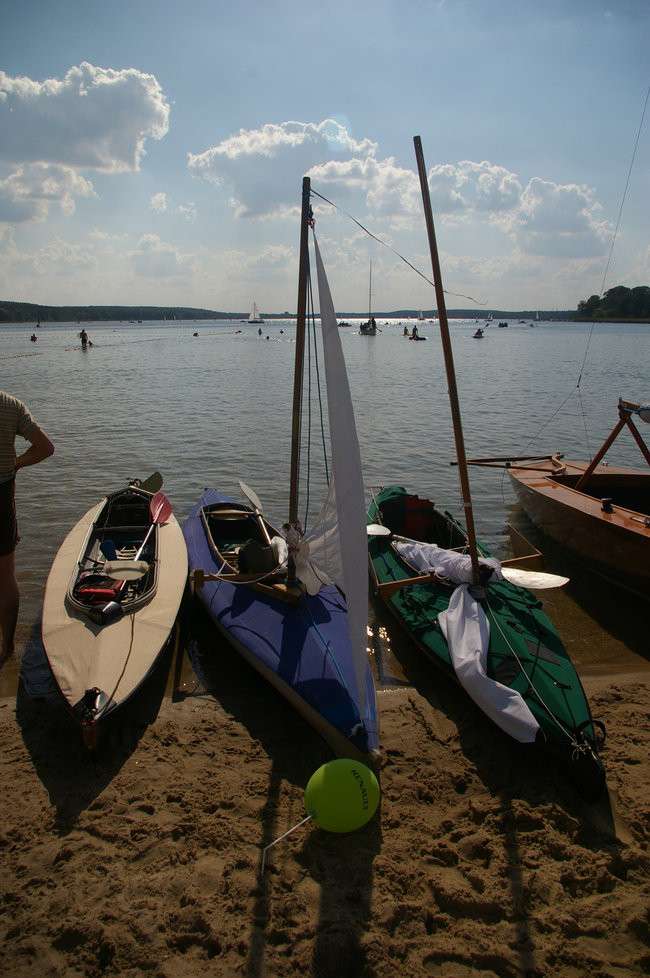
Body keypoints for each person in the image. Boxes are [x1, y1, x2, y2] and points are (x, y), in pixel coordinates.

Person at [0, 391, 54, 661]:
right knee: (6, 574)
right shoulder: (10, 405)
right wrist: (16, 463)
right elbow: (45, 448)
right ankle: (7, 648)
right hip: (1, 495)